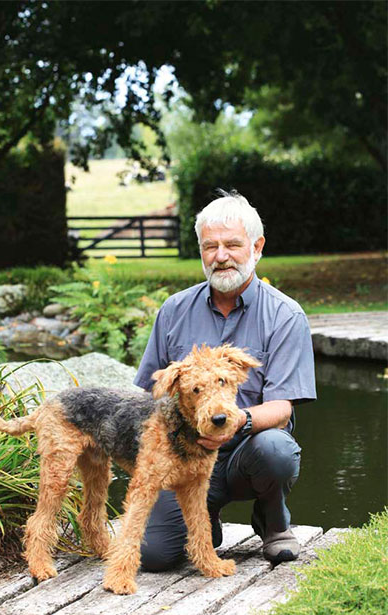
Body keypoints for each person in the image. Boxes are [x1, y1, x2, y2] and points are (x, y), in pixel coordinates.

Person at [134, 190, 316, 568]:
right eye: (210, 246)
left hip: (247, 451)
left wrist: (236, 423)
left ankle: (272, 518)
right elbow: (145, 398)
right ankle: (206, 520)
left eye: (232, 245)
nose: (220, 256)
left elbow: (282, 409)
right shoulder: (173, 311)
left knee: (277, 450)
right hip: (184, 456)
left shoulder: (286, 315)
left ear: (257, 246)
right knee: (154, 555)